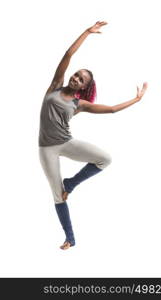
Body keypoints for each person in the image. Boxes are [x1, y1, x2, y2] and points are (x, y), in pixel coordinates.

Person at [38, 21, 148, 250]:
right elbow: (68, 54)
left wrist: (136, 100)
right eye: (76, 74)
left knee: (105, 159)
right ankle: (71, 238)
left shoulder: (80, 104)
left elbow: (111, 110)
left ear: (83, 87)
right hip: (46, 148)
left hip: (66, 143)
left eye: (80, 79)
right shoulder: (55, 86)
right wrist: (87, 32)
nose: (75, 78)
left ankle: (72, 183)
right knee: (58, 195)